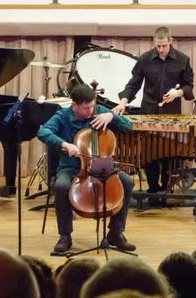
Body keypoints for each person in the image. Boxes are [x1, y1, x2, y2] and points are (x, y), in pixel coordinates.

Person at [37, 83, 136, 254]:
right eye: (86, 108)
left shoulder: (98, 109)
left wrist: (111, 116)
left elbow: (128, 126)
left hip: (101, 166)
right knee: (61, 186)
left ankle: (116, 232)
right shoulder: (62, 116)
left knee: (127, 182)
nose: (91, 111)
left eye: (92, 106)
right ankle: (65, 235)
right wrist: (64, 144)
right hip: (71, 168)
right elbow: (43, 132)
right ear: (74, 105)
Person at [112, 26, 194, 194]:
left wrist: (177, 92)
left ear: (170, 41)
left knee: (169, 153)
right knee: (150, 153)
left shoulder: (182, 59)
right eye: (158, 46)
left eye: (164, 46)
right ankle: (153, 190)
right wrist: (123, 101)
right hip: (149, 111)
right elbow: (134, 84)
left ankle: (166, 188)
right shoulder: (145, 59)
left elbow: (189, 86)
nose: (161, 50)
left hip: (171, 114)